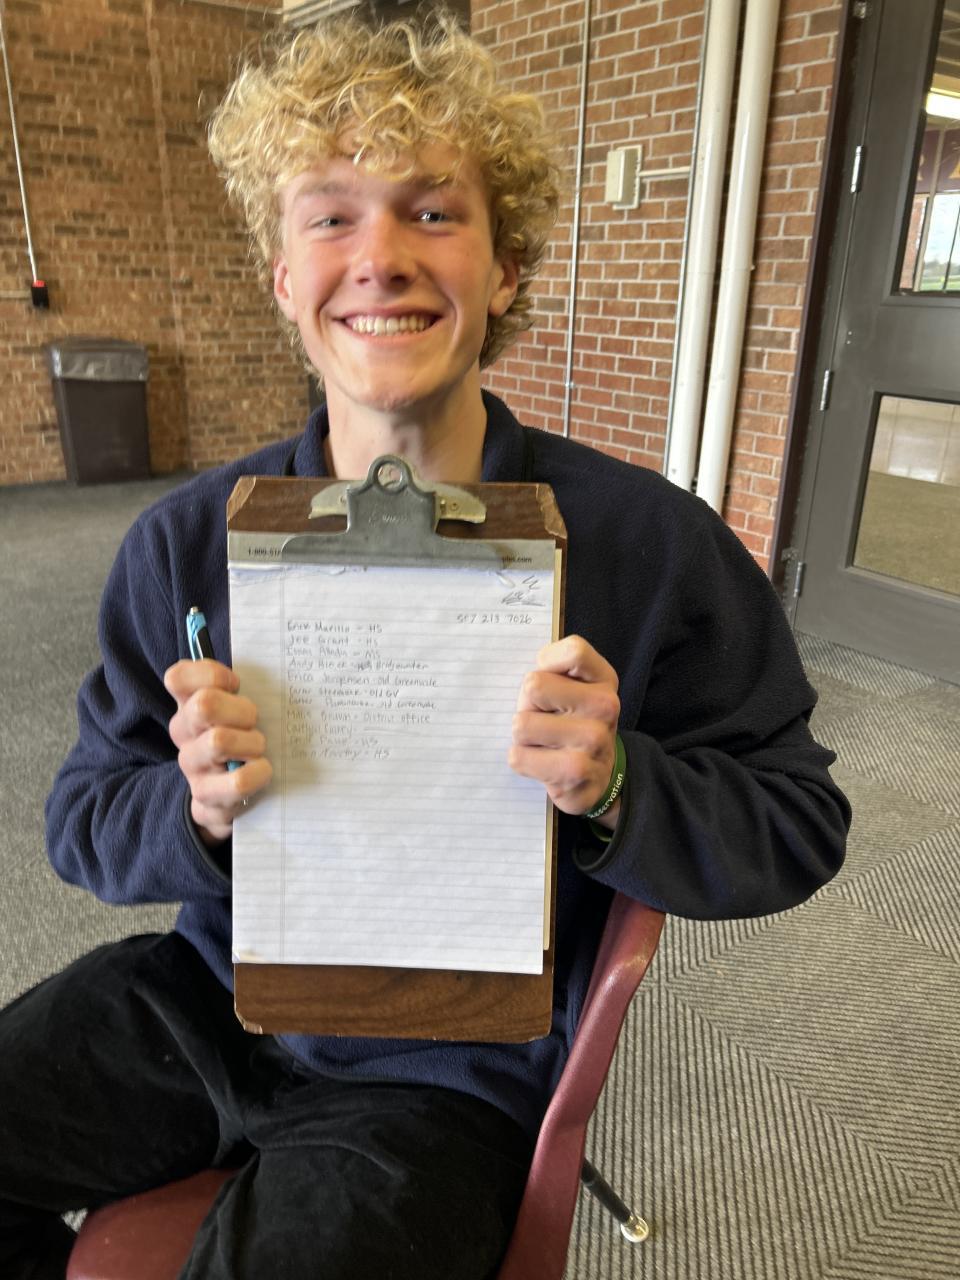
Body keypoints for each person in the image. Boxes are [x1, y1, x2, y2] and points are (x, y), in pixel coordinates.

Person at [0, 12, 850, 1280]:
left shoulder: (650, 546)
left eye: (434, 212)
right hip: (208, 996)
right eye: (331, 217)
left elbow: (799, 822)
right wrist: (194, 809)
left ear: (506, 268)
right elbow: (81, 818)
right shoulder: (186, 543)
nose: (381, 258)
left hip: (447, 1067)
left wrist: (621, 783)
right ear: (282, 275)